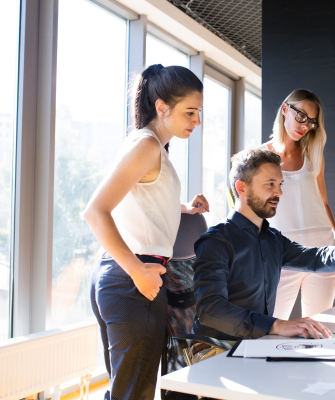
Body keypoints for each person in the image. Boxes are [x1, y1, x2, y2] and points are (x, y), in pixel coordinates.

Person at [84, 64, 209, 400]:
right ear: (162, 107)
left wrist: (184, 207)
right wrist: (137, 272)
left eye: (199, 112)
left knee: (126, 391)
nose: (196, 121)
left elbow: (140, 200)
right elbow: (95, 212)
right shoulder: (148, 145)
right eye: (190, 112)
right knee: (133, 393)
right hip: (132, 279)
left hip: (122, 277)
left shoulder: (151, 146)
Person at [192, 148, 335, 340]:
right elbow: (210, 309)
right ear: (242, 187)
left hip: (255, 345)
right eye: (269, 184)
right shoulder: (216, 241)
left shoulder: (272, 239)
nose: (279, 192)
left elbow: (315, 258)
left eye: (280, 184)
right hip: (215, 348)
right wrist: (275, 325)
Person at [259, 89, 335, 320]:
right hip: (280, 254)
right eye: (301, 116)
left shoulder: (314, 155)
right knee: (270, 328)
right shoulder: (258, 157)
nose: (305, 125)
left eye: (311, 122)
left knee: (319, 328)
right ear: (285, 109)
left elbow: (323, 201)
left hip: (322, 252)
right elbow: (250, 211)